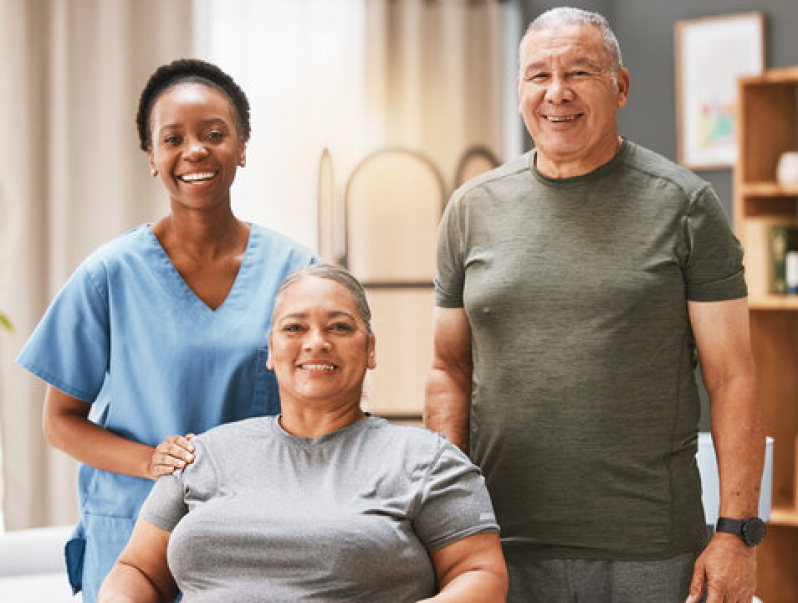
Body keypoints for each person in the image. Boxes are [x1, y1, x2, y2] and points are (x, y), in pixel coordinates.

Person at [425, 7, 765, 603]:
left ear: (621, 86)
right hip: (500, 544)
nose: (558, 93)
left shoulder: (685, 206)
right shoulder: (470, 210)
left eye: (580, 72)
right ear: (520, 90)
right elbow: (448, 369)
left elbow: (732, 376)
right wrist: (446, 520)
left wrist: (736, 534)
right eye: (538, 76)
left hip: (651, 552)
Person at [16, 58, 316, 602]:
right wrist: (150, 461)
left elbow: (325, 409)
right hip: (131, 538)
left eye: (214, 134)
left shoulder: (296, 272)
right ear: (152, 158)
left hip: (253, 538)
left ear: (242, 147)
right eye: (172, 138)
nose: (194, 151)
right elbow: (60, 422)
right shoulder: (109, 275)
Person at [97, 264, 508, 602]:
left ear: (371, 349)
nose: (316, 342)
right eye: (294, 328)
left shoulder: (426, 460)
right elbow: (136, 571)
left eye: (340, 328)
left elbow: (481, 575)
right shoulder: (201, 455)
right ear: (271, 352)